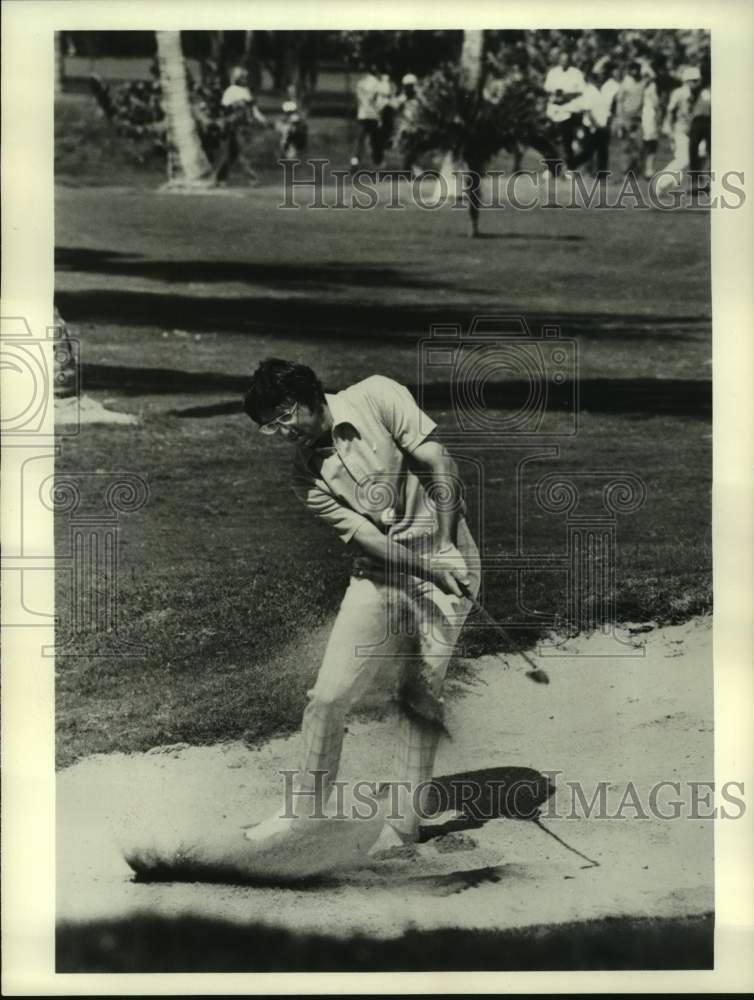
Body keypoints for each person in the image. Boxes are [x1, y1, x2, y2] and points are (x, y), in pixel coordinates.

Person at [242, 359, 481, 845]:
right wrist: (427, 567)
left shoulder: (376, 394)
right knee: (329, 695)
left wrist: (448, 546)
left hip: (449, 558)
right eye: (270, 426)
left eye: (285, 415)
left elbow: (441, 463)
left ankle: (402, 822)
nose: (282, 430)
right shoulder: (304, 477)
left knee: (420, 690)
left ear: (309, 395)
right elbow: (371, 542)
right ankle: (303, 812)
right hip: (382, 573)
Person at [655, 66, 707, 196]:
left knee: (701, 154)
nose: (695, 83)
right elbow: (670, 111)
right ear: (686, 81)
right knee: (683, 159)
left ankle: (693, 184)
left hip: (696, 131)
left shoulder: (703, 94)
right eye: (692, 80)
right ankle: (662, 182)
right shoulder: (679, 93)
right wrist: (668, 127)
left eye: (697, 80)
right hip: (681, 130)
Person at [215, 66, 270, 184]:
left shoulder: (245, 91)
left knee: (233, 154)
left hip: (242, 126)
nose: (245, 80)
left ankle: (220, 179)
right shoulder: (231, 91)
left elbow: (252, 109)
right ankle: (252, 178)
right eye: (242, 78)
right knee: (238, 153)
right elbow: (225, 109)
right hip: (233, 127)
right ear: (236, 78)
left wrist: (261, 119)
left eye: (246, 78)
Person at [543, 48, 586, 173]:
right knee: (551, 141)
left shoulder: (576, 73)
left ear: (570, 60)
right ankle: (551, 169)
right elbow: (547, 88)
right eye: (562, 60)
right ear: (558, 60)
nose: (564, 62)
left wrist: (567, 96)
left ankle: (570, 168)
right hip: (554, 110)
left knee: (567, 141)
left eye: (566, 60)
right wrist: (556, 95)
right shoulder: (553, 73)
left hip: (568, 111)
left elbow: (581, 91)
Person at [614, 61, 646, 176]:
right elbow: (619, 102)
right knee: (626, 145)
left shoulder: (643, 82)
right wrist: (620, 119)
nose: (635, 72)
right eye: (633, 69)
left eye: (637, 69)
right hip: (626, 116)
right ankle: (625, 170)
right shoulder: (625, 83)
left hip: (639, 117)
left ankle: (637, 170)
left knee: (639, 145)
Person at [392, 73, 423, 176]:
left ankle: (410, 166)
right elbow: (394, 108)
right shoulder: (402, 98)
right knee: (408, 147)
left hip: (416, 125)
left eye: (411, 86)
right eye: (407, 86)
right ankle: (408, 168)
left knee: (414, 147)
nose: (409, 89)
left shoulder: (419, 97)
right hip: (405, 125)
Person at [351, 64, 381, 168]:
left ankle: (355, 160)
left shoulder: (361, 83)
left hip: (362, 114)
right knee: (375, 139)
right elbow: (378, 100)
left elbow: (358, 98)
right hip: (373, 115)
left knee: (360, 139)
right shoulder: (377, 83)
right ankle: (376, 161)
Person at [640, 62, 661, 179]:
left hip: (648, 115)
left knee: (650, 143)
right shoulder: (649, 87)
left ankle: (648, 168)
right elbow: (655, 103)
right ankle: (647, 169)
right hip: (647, 115)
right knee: (649, 143)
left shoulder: (650, 86)